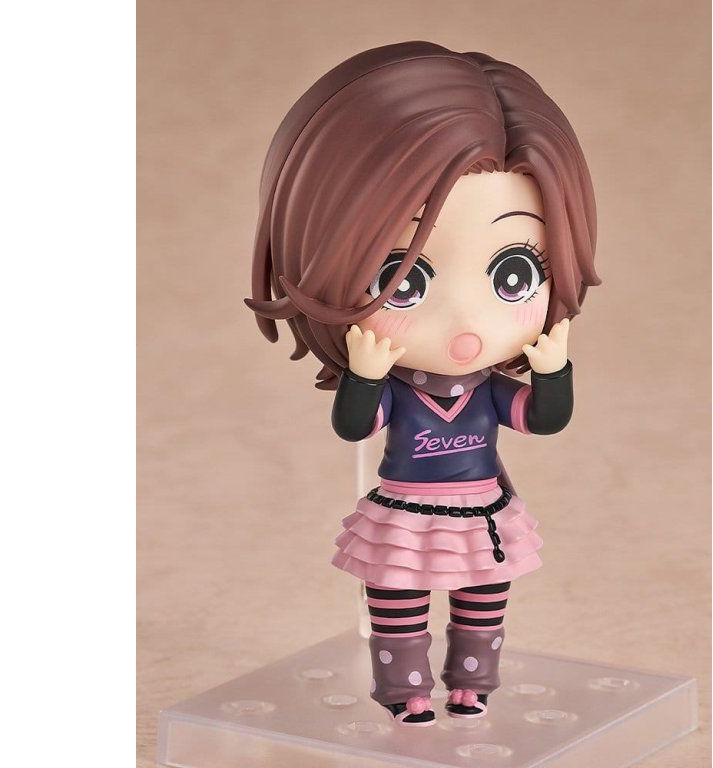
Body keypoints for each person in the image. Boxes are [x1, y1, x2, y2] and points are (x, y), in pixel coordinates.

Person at [245, 41, 599, 726]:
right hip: (406, 509)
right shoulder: (401, 391)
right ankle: (405, 690)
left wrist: (554, 370)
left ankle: (473, 682)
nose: (465, 324)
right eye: (402, 278)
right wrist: (364, 376)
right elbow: (354, 424)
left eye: (515, 274)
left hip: (483, 511)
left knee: (483, 598)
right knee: (397, 599)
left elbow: (544, 419)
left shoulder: (487, 390)